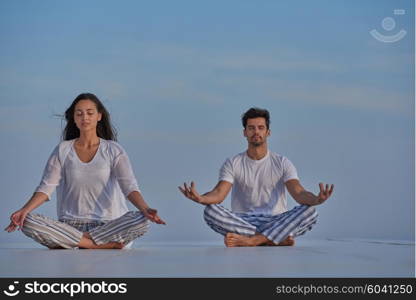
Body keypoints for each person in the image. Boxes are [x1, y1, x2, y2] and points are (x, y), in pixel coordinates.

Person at [5, 93, 165, 249]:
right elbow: (46, 188)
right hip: (70, 226)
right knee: (26, 221)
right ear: (74, 118)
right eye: (79, 113)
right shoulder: (63, 149)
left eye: (90, 113)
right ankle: (94, 244)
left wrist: (145, 209)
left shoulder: (113, 149)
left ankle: (76, 242)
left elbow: (129, 187)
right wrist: (24, 210)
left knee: (142, 220)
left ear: (99, 116)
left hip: (108, 226)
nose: (85, 117)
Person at [179, 107, 334, 247]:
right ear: (244, 132)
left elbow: (299, 192)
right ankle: (274, 239)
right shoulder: (233, 163)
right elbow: (219, 194)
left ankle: (253, 240)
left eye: (261, 128)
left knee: (311, 211)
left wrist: (316, 199)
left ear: (268, 132)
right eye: (251, 128)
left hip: (276, 220)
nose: (256, 132)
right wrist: (200, 198)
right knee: (210, 211)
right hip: (243, 221)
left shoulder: (282, 162)